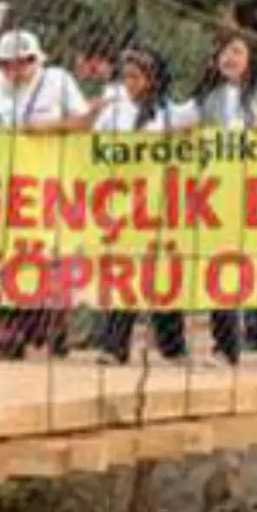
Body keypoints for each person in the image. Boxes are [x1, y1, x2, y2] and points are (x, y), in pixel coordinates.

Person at [0, 29, 95, 359]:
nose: (16, 70)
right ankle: (10, 329)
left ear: (36, 59)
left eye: (23, 62)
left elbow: (84, 122)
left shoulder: (57, 81)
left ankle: (50, 328)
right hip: (8, 187)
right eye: (8, 64)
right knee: (9, 256)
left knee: (48, 254)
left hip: (51, 181)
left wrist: (44, 128)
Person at [92, 46, 196, 366]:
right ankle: (114, 346)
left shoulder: (170, 113)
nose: (129, 83)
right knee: (124, 273)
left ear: (152, 79)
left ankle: (173, 347)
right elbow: (95, 147)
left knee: (162, 276)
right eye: (126, 76)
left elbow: (196, 125)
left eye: (136, 77)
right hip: (124, 204)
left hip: (160, 205)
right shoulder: (114, 112)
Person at [192, 32, 257, 366]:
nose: (229, 57)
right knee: (222, 264)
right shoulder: (208, 98)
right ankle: (225, 346)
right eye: (223, 51)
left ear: (251, 59)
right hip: (220, 192)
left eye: (237, 51)